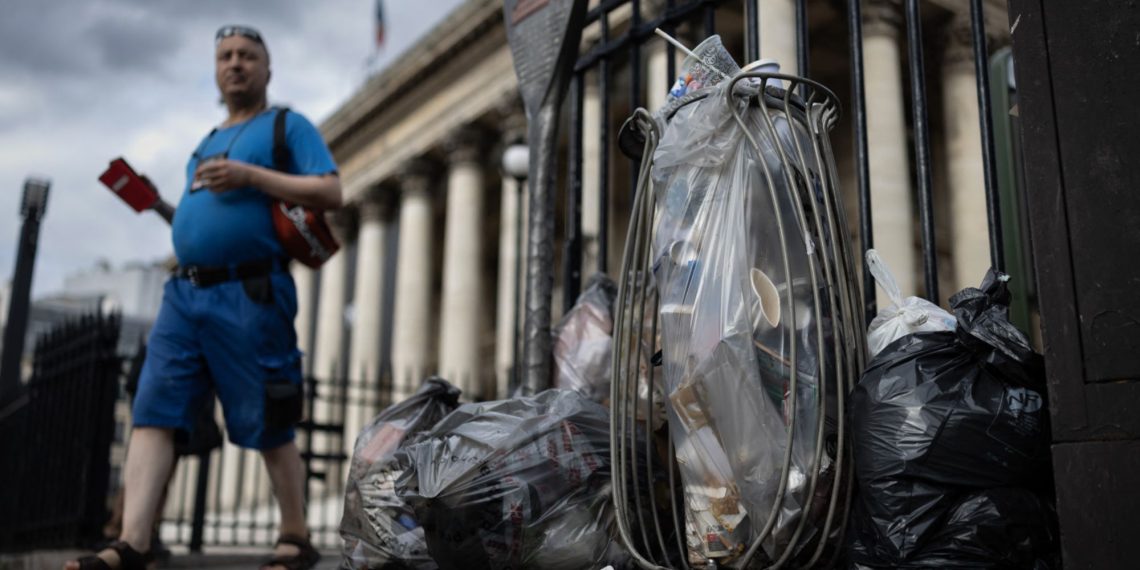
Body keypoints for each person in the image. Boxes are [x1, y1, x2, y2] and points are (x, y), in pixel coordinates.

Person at [67, 24, 341, 570]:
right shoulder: (205, 142)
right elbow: (205, 215)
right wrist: (165, 209)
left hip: (251, 288)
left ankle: (295, 536)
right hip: (185, 293)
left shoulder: (288, 126)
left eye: (247, 56)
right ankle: (133, 543)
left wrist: (250, 175)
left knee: (268, 408)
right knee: (153, 408)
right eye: (225, 57)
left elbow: (330, 190)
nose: (235, 64)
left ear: (267, 69)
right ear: (215, 71)